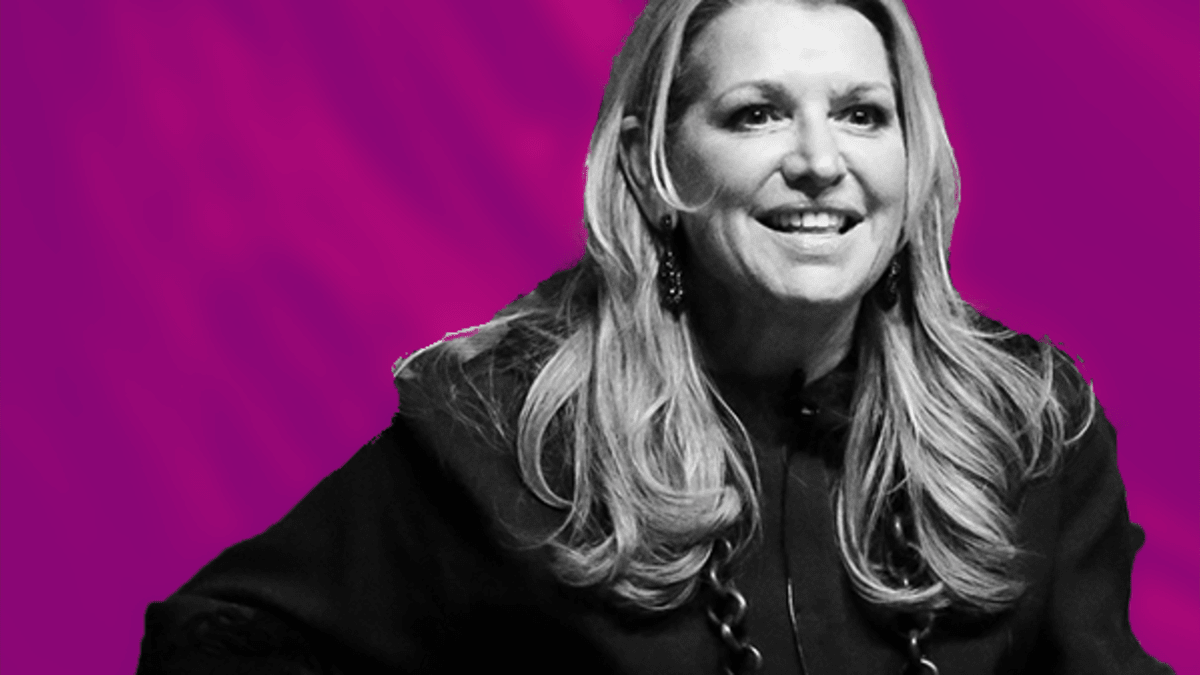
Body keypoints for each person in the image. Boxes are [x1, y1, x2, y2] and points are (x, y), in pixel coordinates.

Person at [136, 0, 1174, 673]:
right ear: (656, 164)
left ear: (912, 157)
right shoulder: (506, 423)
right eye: (757, 113)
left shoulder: (1028, 426)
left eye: (863, 114)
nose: (822, 161)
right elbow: (219, 642)